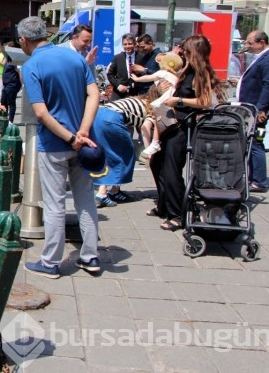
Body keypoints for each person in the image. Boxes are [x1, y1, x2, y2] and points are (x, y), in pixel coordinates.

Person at [18, 16, 101, 278]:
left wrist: (69, 137)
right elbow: (94, 94)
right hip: (85, 144)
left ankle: (51, 262)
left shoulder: (31, 66)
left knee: (54, 204)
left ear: (23, 40)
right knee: (86, 200)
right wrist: (83, 131)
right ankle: (90, 256)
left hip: (54, 144)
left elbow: (41, 113)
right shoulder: (76, 57)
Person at [149, 35, 226, 231]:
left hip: (184, 126)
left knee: (171, 169)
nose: (181, 52)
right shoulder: (188, 69)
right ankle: (165, 205)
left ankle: (177, 215)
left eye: (185, 50)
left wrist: (179, 101)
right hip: (173, 123)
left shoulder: (201, 73)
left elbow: (204, 101)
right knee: (157, 162)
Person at [92, 96, 153, 207]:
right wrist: (149, 151)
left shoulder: (136, 101)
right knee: (126, 155)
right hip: (112, 118)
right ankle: (106, 193)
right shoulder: (152, 108)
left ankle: (111, 190)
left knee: (109, 155)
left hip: (98, 115)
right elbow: (145, 128)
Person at [237, 30, 269, 193]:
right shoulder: (265, 57)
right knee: (253, 141)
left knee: (256, 142)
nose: (247, 46)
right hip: (252, 108)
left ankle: (259, 181)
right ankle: (254, 177)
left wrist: (261, 109)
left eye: (250, 43)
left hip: (257, 110)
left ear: (262, 42)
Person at [131, 52, 184, 160]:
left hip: (162, 103)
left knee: (152, 124)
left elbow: (148, 77)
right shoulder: (176, 77)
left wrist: (136, 79)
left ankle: (153, 145)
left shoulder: (164, 73)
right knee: (146, 126)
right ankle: (150, 150)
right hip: (166, 104)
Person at [106, 34, 140, 100]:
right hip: (119, 93)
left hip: (135, 94)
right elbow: (110, 74)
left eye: (130, 44)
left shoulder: (141, 57)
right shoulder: (118, 58)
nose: (127, 46)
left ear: (135, 44)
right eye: (125, 44)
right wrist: (118, 85)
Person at [0, 53, 22, 124]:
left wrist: (22, 84)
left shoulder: (14, 61)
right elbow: (2, 64)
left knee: (11, 103)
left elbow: (19, 72)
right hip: (5, 85)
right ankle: (4, 118)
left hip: (12, 85)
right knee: (3, 102)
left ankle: (10, 121)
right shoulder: (7, 60)